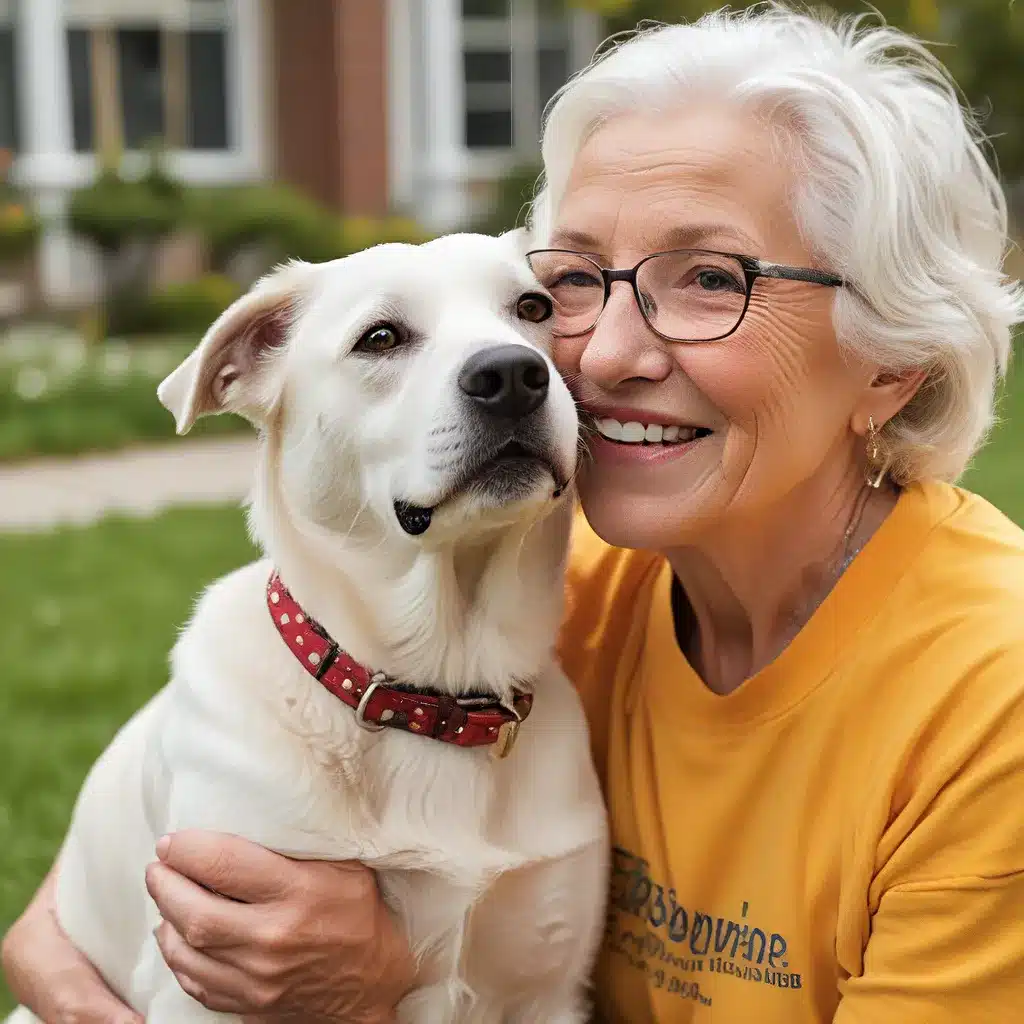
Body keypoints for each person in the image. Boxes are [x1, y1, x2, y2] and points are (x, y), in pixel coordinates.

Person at [4, 6, 1024, 1023]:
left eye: (712, 279)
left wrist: (387, 992)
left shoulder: (990, 707)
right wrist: (61, 928)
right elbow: (132, 834)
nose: (608, 354)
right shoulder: (547, 584)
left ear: (895, 357)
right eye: (573, 282)